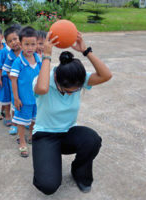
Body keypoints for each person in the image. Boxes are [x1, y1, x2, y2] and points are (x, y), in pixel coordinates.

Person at [32, 32, 112, 194]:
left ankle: (79, 172)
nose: (73, 93)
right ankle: (46, 163)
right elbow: (41, 88)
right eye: (68, 91)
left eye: (76, 90)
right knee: (48, 186)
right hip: (45, 136)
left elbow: (106, 75)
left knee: (92, 140)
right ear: (57, 80)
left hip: (68, 133)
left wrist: (85, 50)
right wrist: (47, 55)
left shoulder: (76, 80)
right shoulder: (44, 80)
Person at [10, 26, 42, 157]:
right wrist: (16, 98)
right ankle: (22, 142)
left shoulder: (39, 59)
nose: (30, 47)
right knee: (22, 122)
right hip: (23, 100)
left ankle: (31, 136)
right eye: (26, 44)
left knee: (34, 120)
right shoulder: (18, 62)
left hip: (37, 98)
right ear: (20, 44)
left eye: (33, 44)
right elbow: (13, 80)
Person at [2, 24, 22, 135]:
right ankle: (14, 124)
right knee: (15, 103)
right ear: (7, 44)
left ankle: (25, 121)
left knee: (26, 102)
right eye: (10, 41)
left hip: (26, 84)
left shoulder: (26, 52)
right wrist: (13, 77)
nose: (13, 42)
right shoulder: (10, 56)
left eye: (15, 39)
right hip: (14, 84)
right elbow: (7, 70)